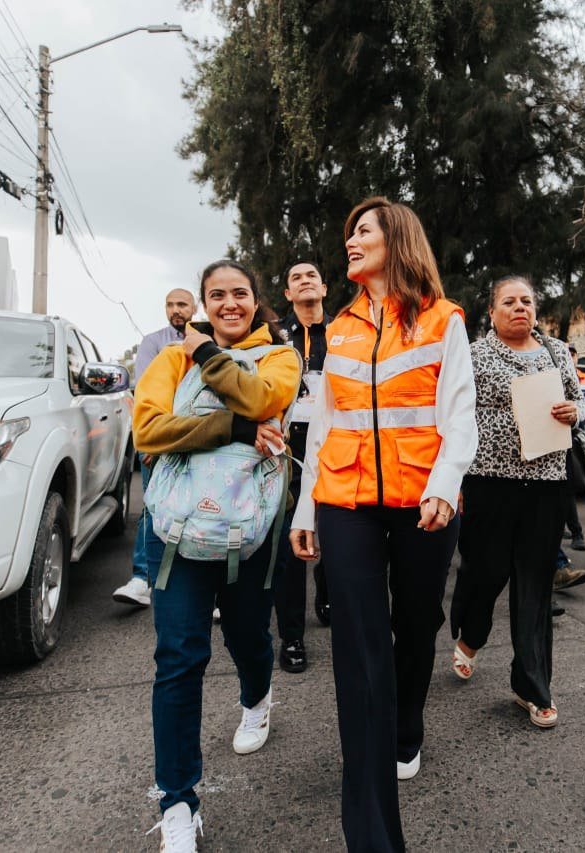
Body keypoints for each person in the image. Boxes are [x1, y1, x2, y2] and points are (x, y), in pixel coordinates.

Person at [290, 197, 476, 852]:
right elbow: (322, 426)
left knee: (418, 622)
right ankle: (371, 834)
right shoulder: (336, 329)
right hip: (346, 502)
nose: (351, 240)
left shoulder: (442, 319)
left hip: (424, 504)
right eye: (348, 233)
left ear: (397, 239)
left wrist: (445, 488)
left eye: (363, 230)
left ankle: (407, 725)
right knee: (358, 654)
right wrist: (307, 506)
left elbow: (460, 418)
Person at [137, 261, 300, 853]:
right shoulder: (168, 359)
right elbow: (148, 432)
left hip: (248, 530)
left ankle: (257, 696)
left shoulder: (282, 357)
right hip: (177, 532)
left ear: (257, 302)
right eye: (216, 295)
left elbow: (261, 396)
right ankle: (177, 802)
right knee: (178, 657)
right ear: (204, 300)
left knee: (248, 637)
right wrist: (233, 428)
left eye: (239, 294)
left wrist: (207, 353)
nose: (229, 303)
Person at [448, 275, 581, 728]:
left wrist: (572, 411)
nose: (519, 307)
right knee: (485, 573)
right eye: (509, 301)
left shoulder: (557, 352)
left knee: (534, 583)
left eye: (526, 300)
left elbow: (577, 403)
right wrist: (456, 481)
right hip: (489, 481)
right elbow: (455, 414)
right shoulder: (473, 354)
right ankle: (471, 635)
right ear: (492, 311)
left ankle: (532, 685)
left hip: (546, 481)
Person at [113, 287, 197, 607]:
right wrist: (148, 441)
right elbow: (146, 394)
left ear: (195, 307)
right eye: (170, 304)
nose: (176, 309)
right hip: (162, 437)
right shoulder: (153, 342)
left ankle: (210, 588)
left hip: (200, 435)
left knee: (203, 507)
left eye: (182, 304)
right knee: (153, 506)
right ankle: (141, 579)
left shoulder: (207, 338)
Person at [271, 260, 334, 673]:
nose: (305, 281)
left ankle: (327, 596)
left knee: (334, 528)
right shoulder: (276, 338)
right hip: (286, 446)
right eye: (296, 278)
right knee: (288, 543)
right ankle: (292, 636)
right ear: (288, 295)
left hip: (335, 443)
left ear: (325, 289)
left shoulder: (347, 332)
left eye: (312, 276)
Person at [561, 343, 585, 551]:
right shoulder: (551, 369)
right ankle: (572, 532)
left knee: (571, 484)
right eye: (567, 353)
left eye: (572, 354)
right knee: (562, 488)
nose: (569, 356)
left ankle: (575, 531)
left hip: (578, 436)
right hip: (559, 437)